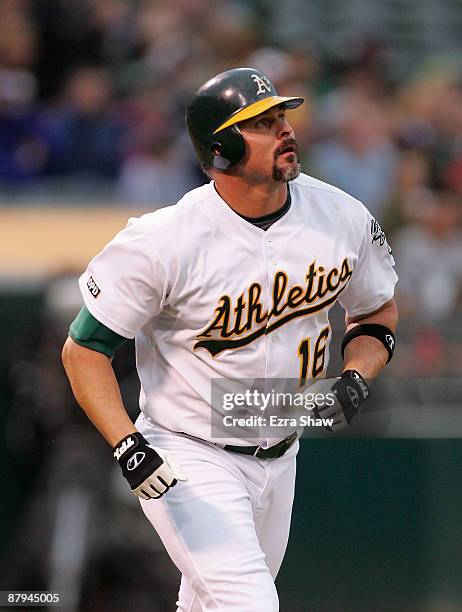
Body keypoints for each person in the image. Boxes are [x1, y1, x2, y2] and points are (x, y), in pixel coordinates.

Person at [62, 67, 398, 611]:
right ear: (220, 148)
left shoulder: (341, 215)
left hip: (283, 451)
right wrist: (127, 445)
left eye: (282, 116)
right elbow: (83, 351)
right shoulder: (163, 240)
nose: (285, 129)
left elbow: (377, 311)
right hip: (189, 453)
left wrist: (358, 373)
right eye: (263, 123)